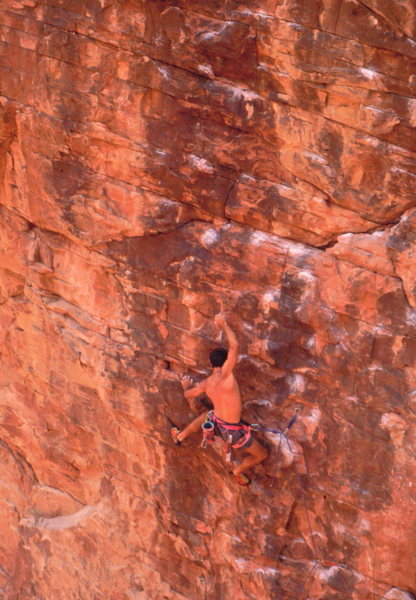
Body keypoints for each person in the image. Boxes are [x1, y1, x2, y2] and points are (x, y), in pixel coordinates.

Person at [171, 310, 268, 485]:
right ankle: (236, 471)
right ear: (226, 363)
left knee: (206, 416)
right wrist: (224, 325)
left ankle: (180, 436)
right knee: (262, 454)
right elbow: (235, 346)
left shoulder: (206, 383)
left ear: (211, 364)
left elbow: (189, 394)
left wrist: (186, 387)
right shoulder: (225, 376)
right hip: (233, 431)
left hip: (217, 424)